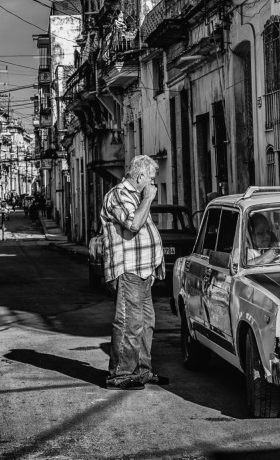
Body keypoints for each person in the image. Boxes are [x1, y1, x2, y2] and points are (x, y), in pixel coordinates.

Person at [99, 154, 168, 390]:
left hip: (143, 271)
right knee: (130, 322)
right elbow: (134, 224)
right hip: (128, 270)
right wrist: (147, 198)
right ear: (140, 176)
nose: (153, 185)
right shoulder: (119, 195)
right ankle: (120, 374)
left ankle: (142, 371)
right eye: (150, 179)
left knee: (146, 322)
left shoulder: (136, 196)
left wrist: (156, 262)